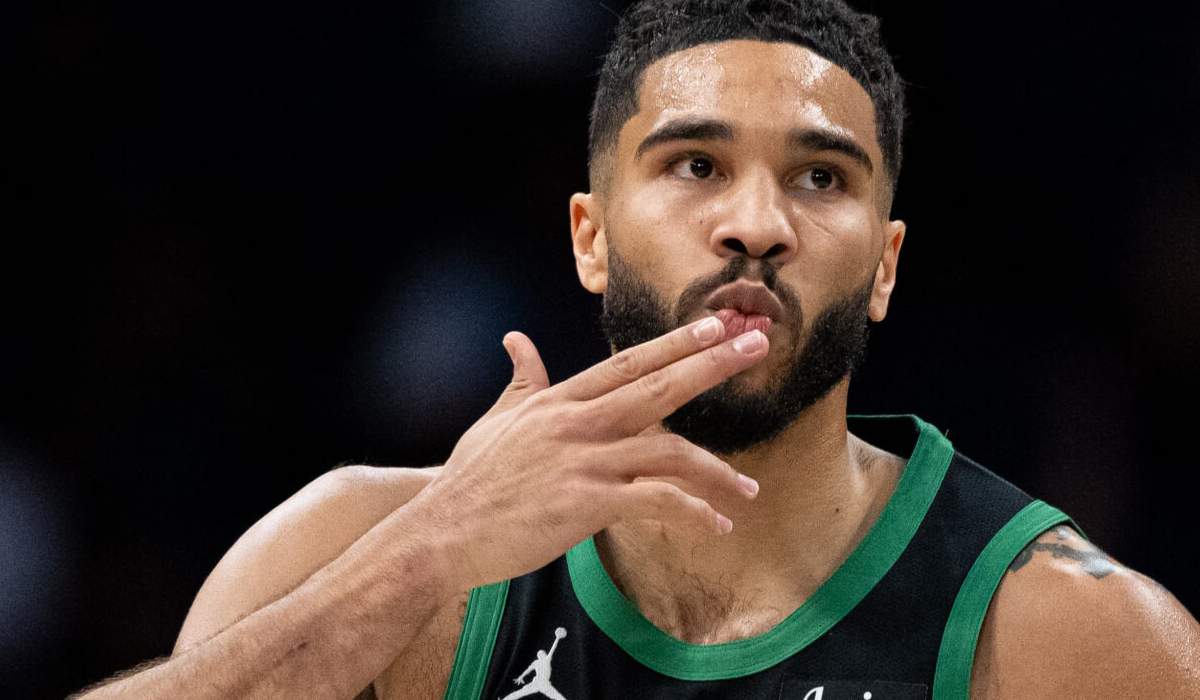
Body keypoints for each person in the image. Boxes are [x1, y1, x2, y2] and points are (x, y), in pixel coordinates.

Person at [69, 0, 1200, 698]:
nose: (756, 224)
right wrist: (420, 557)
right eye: (696, 165)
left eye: (820, 177)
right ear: (591, 237)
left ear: (887, 264)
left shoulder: (1065, 635)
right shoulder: (371, 554)